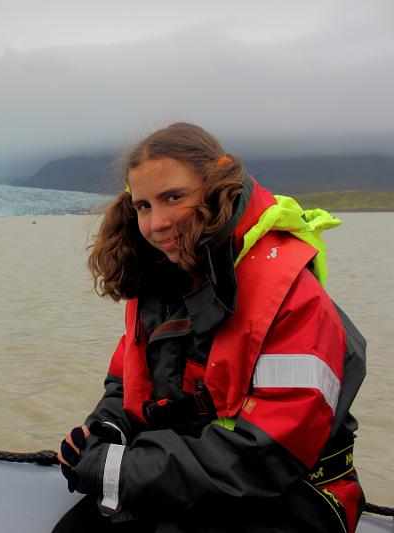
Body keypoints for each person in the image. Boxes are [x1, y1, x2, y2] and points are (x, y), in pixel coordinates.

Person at [55, 122, 366, 532]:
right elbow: (125, 385)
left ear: (217, 186)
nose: (157, 223)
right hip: (191, 479)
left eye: (173, 197)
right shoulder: (160, 284)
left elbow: (269, 455)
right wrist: (105, 429)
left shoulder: (294, 300)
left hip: (293, 493)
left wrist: (117, 470)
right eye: (144, 205)